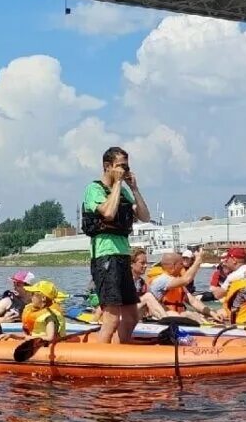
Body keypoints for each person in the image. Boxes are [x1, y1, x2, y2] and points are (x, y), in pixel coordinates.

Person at [82, 146, 151, 343]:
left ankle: (120, 352)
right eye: (120, 166)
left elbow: (145, 216)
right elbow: (109, 213)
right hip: (105, 255)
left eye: (126, 167)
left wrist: (134, 188)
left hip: (122, 256)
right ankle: (99, 359)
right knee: (111, 318)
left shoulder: (124, 193)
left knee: (131, 316)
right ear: (107, 166)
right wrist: (118, 183)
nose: (124, 170)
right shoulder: (93, 189)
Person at [148, 251, 224, 322]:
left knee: (194, 314)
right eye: (181, 264)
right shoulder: (162, 279)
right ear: (173, 265)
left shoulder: (176, 281)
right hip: (159, 318)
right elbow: (186, 280)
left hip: (176, 317)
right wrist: (198, 261)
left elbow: (193, 301)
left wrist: (212, 313)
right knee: (187, 314)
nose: (183, 266)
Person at [129, 248, 167, 320]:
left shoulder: (141, 282)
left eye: (146, 263)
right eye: (142, 263)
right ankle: (168, 321)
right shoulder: (125, 280)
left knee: (171, 313)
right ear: (131, 264)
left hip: (137, 314)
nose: (146, 266)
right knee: (148, 296)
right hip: (124, 314)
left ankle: (167, 319)